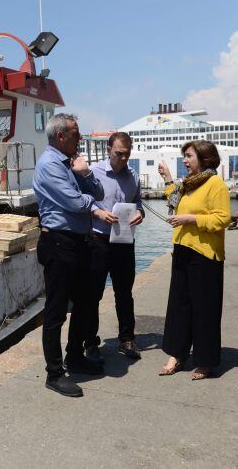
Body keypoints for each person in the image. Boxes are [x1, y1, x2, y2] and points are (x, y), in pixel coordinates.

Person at [33, 113, 105, 397]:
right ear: (61, 136)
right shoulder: (50, 165)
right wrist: (93, 204)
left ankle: (74, 356)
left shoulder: (72, 163)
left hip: (79, 242)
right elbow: (76, 202)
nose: (80, 137)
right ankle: (54, 373)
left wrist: (85, 173)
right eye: (76, 134)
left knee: (86, 303)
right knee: (56, 310)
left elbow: (97, 189)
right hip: (59, 244)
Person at [157, 140, 231, 380]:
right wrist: (168, 178)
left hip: (205, 254)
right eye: (184, 157)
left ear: (204, 158)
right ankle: (176, 354)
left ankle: (206, 360)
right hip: (182, 250)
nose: (185, 161)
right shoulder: (188, 185)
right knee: (178, 306)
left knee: (204, 309)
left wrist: (191, 220)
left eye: (189, 156)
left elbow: (222, 219)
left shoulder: (215, 184)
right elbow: (175, 202)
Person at [85, 132, 145, 364]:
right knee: (93, 294)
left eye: (127, 154)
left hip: (123, 241)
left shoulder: (133, 176)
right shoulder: (93, 172)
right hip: (98, 240)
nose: (123, 158)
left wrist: (140, 213)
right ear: (109, 148)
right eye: (119, 153)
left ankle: (127, 338)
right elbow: (81, 199)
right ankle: (90, 342)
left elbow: (138, 202)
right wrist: (97, 211)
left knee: (125, 292)